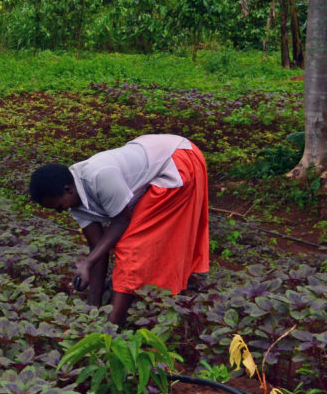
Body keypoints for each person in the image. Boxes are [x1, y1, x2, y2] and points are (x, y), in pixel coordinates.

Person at [29, 134, 209, 326]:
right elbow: (98, 247)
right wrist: (92, 307)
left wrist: (87, 263)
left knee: (130, 244)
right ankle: (105, 317)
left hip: (177, 159)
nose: (60, 211)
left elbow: (121, 222)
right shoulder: (74, 203)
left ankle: (115, 322)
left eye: (58, 206)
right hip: (156, 154)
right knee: (128, 244)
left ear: (68, 190)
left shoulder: (100, 175)